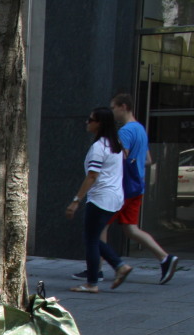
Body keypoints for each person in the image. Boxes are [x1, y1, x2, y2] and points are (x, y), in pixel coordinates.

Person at [75, 93, 178, 287]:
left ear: (123, 107)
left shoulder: (125, 132)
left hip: (120, 189)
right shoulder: (140, 129)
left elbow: (118, 159)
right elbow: (148, 160)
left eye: (113, 108)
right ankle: (165, 258)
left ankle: (96, 270)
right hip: (136, 186)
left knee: (99, 229)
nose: (112, 112)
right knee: (130, 228)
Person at [67, 107, 125, 293]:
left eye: (90, 119)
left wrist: (76, 200)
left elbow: (92, 175)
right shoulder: (115, 144)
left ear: (99, 123)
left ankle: (92, 282)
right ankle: (118, 266)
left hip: (101, 198)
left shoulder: (99, 147)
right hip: (115, 198)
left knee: (91, 240)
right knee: (92, 238)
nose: (87, 122)